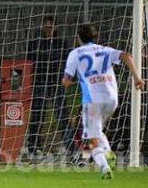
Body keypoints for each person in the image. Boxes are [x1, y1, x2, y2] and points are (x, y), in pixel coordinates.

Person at [61, 24, 144, 179]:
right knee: (97, 132)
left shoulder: (75, 53)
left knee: (91, 138)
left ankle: (105, 165)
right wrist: (137, 77)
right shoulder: (105, 50)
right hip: (112, 99)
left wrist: (65, 82)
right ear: (95, 37)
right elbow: (126, 55)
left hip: (93, 101)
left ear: (78, 38)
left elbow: (67, 80)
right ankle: (107, 155)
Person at [26, 16, 72, 154]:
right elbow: (31, 61)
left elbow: (66, 62)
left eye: (50, 27)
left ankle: (69, 145)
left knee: (62, 114)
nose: (48, 30)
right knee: (38, 115)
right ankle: (33, 145)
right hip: (40, 82)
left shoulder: (61, 44)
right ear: (42, 28)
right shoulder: (35, 43)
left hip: (56, 82)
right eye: (45, 27)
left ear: (55, 28)